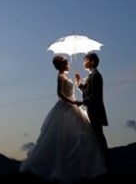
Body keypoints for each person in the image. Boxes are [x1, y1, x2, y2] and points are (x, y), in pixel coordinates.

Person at [20, 55, 107, 183]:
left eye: (86, 60)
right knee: (68, 137)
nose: (68, 63)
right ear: (62, 65)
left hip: (78, 106)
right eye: (66, 62)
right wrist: (74, 100)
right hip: (68, 106)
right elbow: (60, 94)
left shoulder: (92, 76)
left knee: (88, 136)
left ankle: (97, 163)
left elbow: (92, 93)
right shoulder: (61, 77)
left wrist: (78, 88)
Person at [75, 52, 109, 168]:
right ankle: (99, 162)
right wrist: (78, 83)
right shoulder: (91, 76)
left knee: (98, 135)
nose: (84, 62)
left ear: (92, 62)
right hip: (92, 109)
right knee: (95, 135)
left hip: (96, 110)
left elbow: (94, 95)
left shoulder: (95, 76)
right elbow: (86, 92)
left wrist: (82, 102)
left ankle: (105, 161)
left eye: (85, 60)